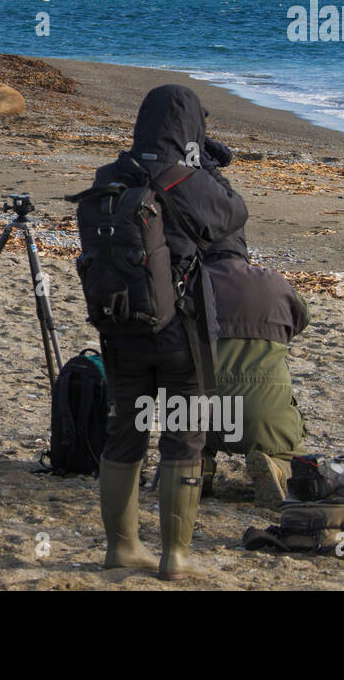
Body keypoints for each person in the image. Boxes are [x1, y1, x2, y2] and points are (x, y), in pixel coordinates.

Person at [91, 84, 248, 580]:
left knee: (125, 434)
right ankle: (175, 556)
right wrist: (206, 168)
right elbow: (233, 217)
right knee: (184, 440)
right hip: (183, 332)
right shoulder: (188, 180)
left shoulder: (109, 176)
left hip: (121, 328)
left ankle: (122, 548)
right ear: (190, 130)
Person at [202, 258, 310, 507]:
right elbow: (301, 317)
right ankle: (280, 468)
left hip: (196, 413)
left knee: (184, 441)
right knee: (296, 456)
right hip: (262, 414)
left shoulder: (188, 280)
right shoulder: (272, 282)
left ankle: (195, 467)